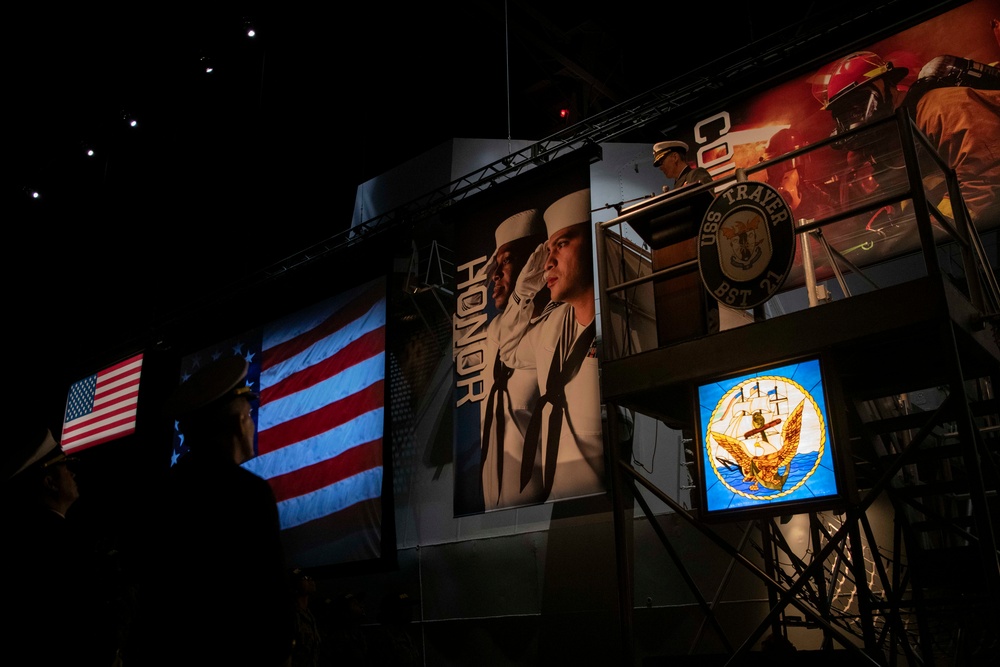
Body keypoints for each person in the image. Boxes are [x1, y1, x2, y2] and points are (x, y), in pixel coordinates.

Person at [124, 354, 295, 667]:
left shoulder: (163, 495)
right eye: (249, 415)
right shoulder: (249, 494)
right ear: (238, 423)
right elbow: (270, 598)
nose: (252, 425)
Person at [498, 188, 604, 502]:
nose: (549, 262)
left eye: (563, 243)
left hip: (615, 501)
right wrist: (522, 291)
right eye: (548, 249)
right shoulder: (553, 326)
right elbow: (508, 350)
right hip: (558, 502)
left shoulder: (625, 319)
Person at [816, 48, 1000, 227]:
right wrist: (901, 218)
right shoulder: (896, 137)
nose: (853, 116)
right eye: (845, 112)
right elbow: (918, 187)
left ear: (887, 85)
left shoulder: (940, 108)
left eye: (857, 102)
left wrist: (931, 231)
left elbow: (982, 178)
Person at [1, 420, 119, 667]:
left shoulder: (26, 540)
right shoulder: (62, 544)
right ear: (49, 482)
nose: (73, 473)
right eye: (65, 467)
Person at [480, 208, 548, 509]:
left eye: (506, 261)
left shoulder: (555, 323)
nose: (496, 274)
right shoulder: (493, 331)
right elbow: (507, 339)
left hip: (540, 500)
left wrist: (523, 295)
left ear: (532, 261)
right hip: (489, 503)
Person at [288, 568, 322, 667]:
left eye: (310, 577)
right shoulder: (291, 614)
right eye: (305, 578)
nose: (310, 580)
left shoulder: (310, 615)